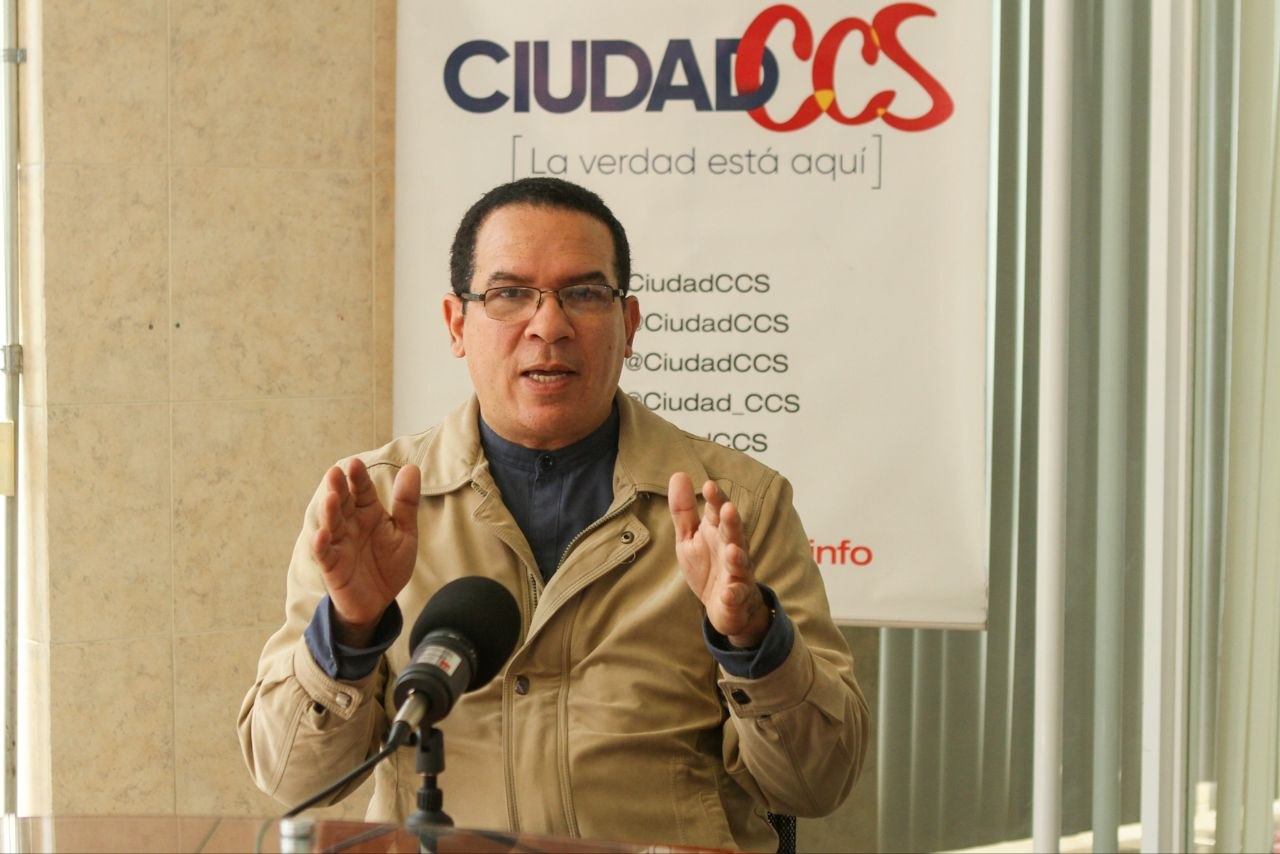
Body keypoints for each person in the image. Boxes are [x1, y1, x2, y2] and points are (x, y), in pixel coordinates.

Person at [238, 177, 869, 851]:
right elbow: (291, 776)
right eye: (510, 294)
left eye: (584, 294)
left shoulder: (735, 505)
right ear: (457, 323)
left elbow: (817, 784)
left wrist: (751, 642)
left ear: (629, 325)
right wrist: (351, 630)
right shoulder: (372, 507)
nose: (548, 326)